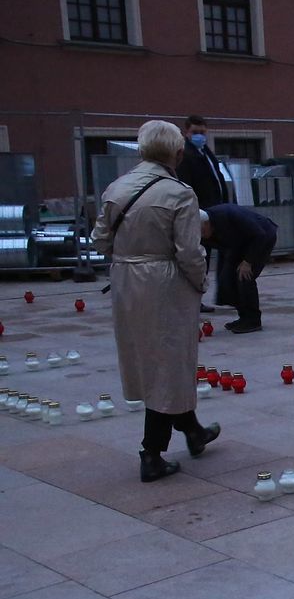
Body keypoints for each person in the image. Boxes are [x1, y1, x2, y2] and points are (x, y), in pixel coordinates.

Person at [92, 119, 220, 482]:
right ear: (177, 154)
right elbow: (189, 252)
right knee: (167, 362)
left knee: (153, 358)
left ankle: (193, 431)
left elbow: (100, 239)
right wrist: (199, 282)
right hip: (165, 281)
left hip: (126, 279)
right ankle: (152, 452)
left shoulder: (117, 187)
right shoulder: (179, 193)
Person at [175, 114, 228, 314]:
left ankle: (202, 297)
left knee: (207, 257)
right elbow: (186, 187)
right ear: (186, 133)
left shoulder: (205, 152)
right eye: (195, 133)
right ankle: (193, 299)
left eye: (202, 133)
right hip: (199, 214)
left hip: (214, 212)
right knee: (198, 258)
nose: (199, 136)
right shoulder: (186, 156)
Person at [200, 204, 278, 333]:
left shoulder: (230, 215)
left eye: (202, 231)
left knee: (244, 277)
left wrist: (248, 261)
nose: (202, 236)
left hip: (261, 237)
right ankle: (243, 317)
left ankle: (253, 320)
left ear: (207, 223)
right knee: (226, 278)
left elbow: (259, 235)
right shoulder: (201, 227)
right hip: (237, 245)